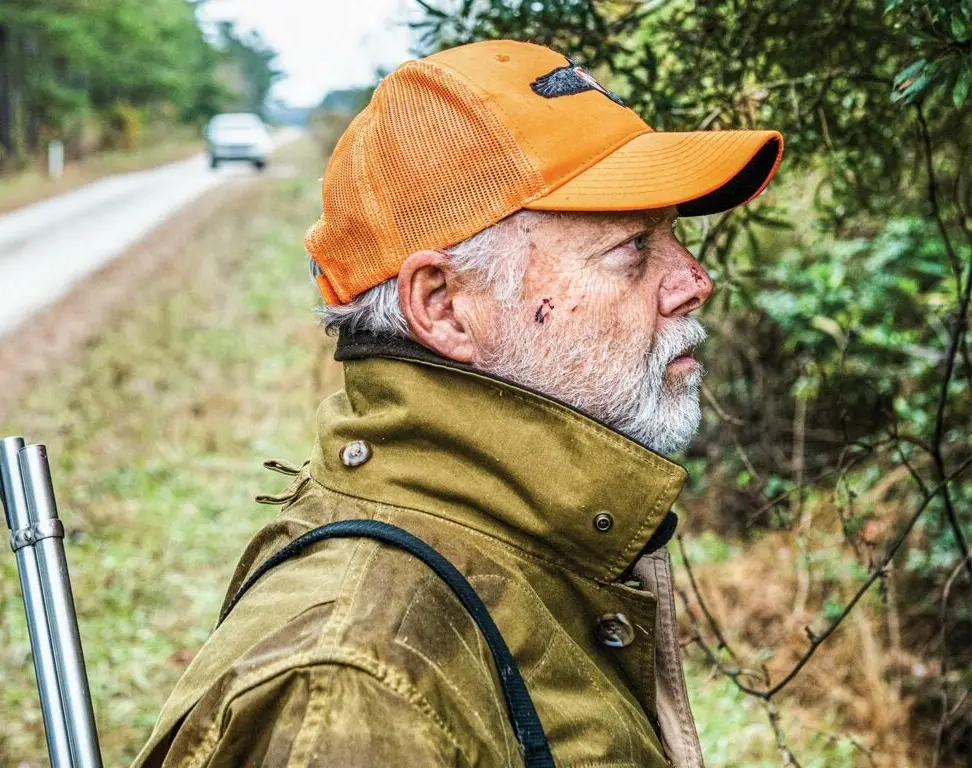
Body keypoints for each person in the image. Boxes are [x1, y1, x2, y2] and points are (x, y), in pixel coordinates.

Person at [134, 39, 782, 767]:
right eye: (632, 246)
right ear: (443, 306)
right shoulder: (356, 691)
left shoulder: (526, 541)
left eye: (675, 235)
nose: (695, 279)